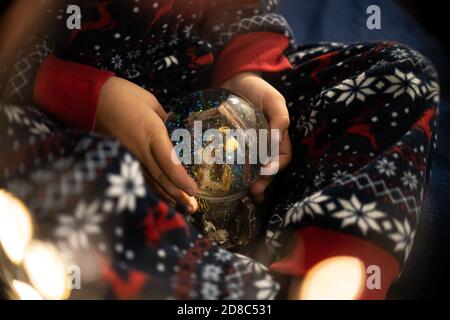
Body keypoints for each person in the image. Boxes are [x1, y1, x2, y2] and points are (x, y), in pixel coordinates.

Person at [0, 0, 439, 299]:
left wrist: (246, 76)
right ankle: (225, 286)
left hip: (207, 86)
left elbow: (246, 12)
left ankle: (319, 274)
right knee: (92, 173)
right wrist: (91, 97)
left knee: (398, 75)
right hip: (64, 122)